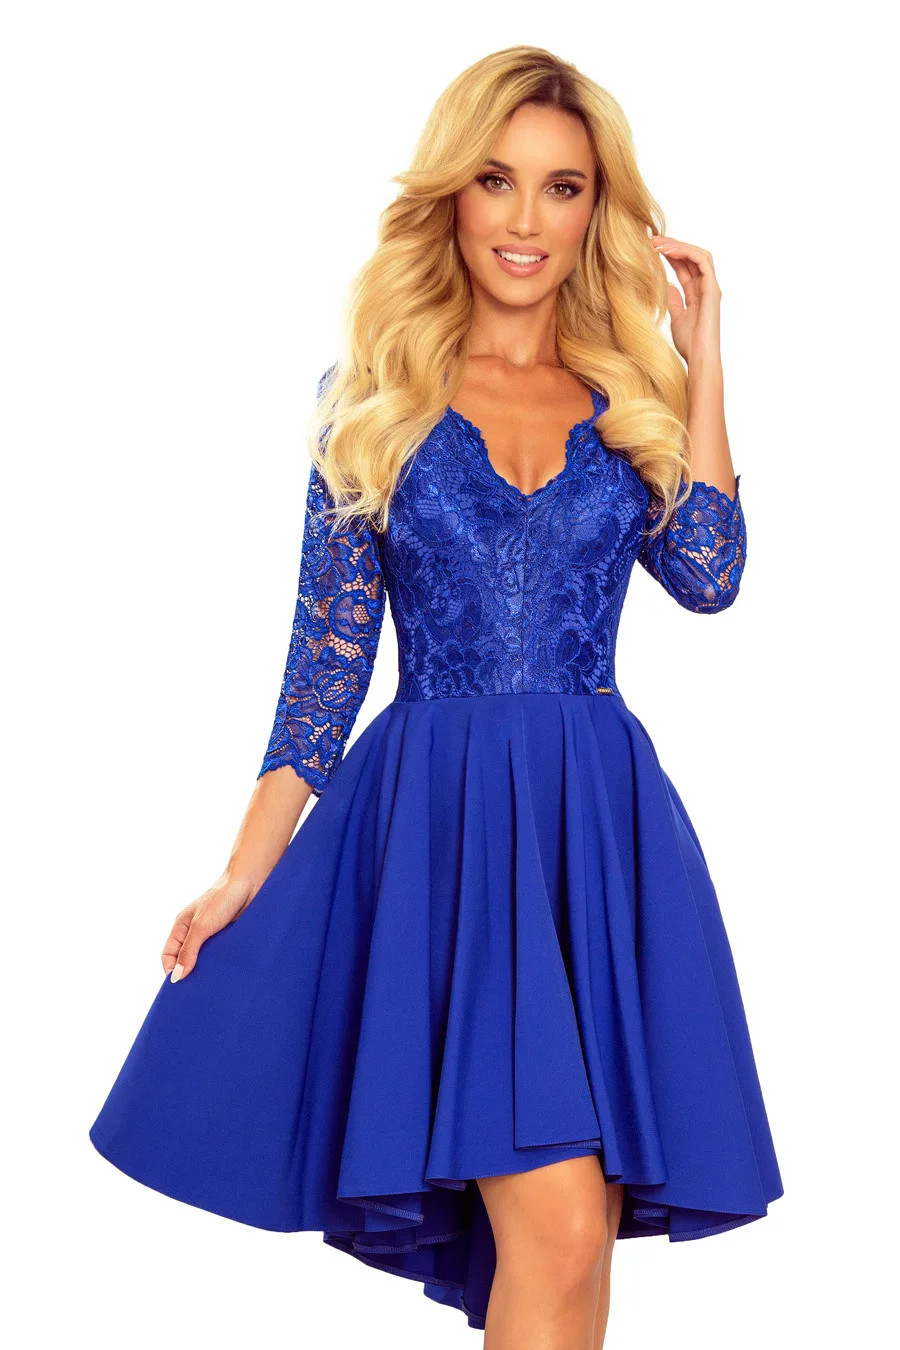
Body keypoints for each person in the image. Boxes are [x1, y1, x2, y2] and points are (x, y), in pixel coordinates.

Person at [89, 46, 783, 1349]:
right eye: (496, 180)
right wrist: (242, 874)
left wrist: (701, 360)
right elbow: (325, 664)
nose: (527, 219)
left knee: (575, 1247)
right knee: (557, 1232)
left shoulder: (630, 399)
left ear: (597, 210)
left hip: (594, 833)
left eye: (563, 188)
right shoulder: (374, 402)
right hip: (444, 837)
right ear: (451, 196)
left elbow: (710, 572)